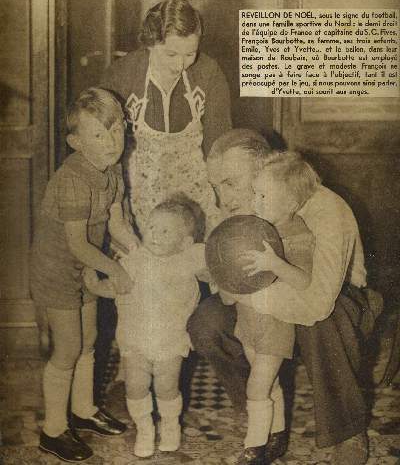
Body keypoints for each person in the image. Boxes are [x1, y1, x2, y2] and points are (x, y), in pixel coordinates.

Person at [188, 129, 378, 465]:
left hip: (336, 297)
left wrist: (248, 297)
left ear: (265, 168)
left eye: (230, 183)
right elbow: (223, 280)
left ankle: (347, 428)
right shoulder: (243, 205)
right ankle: (257, 405)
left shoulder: (325, 208)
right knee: (206, 323)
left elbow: (317, 300)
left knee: (322, 322)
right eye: (215, 186)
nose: (222, 198)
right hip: (268, 292)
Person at [30, 88, 139, 462]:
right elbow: (76, 245)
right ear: (76, 143)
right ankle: (54, 430)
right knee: (68, 348)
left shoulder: (113, 169)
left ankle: (84, 409)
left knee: (89, 339)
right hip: (57, 267)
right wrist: (118, 272)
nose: (111, 142)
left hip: (88, 263)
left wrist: (140, 255)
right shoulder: (73, 178)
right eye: (98, 135)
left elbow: (118, 222)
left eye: (117, 131)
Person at [85, 199, 208, 459]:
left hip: (170, 340)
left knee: (166, 386)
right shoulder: (136, 259)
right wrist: (97, 286)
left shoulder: (187, 261)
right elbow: (117, 285)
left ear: (184, 242)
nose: (154, 234)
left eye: (165, 231)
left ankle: (170, 424)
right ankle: (144, 428)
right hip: (135, 338)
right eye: (151, 227)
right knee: (135, 386)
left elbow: (213, 264)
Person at [101, 0, 232, 236]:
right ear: (150, 43)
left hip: (195, 197)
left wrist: (225, 204)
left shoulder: (208, 72)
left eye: (190, 54)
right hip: (139, 193)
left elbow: (219, 147)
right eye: (171, 55)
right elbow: (106, 153)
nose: (181, 65)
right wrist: (119, 212)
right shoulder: (123, 75)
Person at [217, 166, 315, 464]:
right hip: (249, 319)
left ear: (290, 203)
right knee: (269, 384)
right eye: (255, 193)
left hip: (276, 323)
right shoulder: (256, 224)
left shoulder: (298, 235)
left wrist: (274, 263)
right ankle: (277, 435)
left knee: (257, 385)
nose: (256, 201)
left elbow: (304, 281)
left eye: (264, 195)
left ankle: (255, 448)